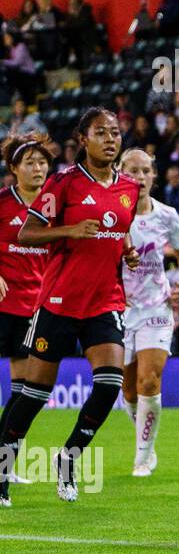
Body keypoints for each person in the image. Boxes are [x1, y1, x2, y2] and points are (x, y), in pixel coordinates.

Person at [0, 109, 140, 505]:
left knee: (110, 384)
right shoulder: (63, 183)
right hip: (59, 303)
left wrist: (127, 252)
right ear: (83, 139)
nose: (111, 139)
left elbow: (120, 229)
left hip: (105, 301)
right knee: (33, 395)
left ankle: (69, 458)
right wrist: (70, 230)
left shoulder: (129, 187)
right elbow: (29, 231)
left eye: (115, 133)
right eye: (101, 133)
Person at [118, 149, 179, 478]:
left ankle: (142, 459)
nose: (139, 177)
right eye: (133, 171)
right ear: (120, 173)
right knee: (127, 389)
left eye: (145, 171)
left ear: (154, 175)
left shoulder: (167, 215)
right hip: (119, 310)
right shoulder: (112, 216)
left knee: (149, 380)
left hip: (157, 309)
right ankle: (145, 443)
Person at [0, 134, 55, 504]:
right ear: (14, 170)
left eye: (42, 163)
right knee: (22, 391)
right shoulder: (3, 203)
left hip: (36, 306)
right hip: (4, 302)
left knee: (23, 390)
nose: (38, 169)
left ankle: (5, 465)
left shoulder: (55, 205)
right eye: (31, 163)